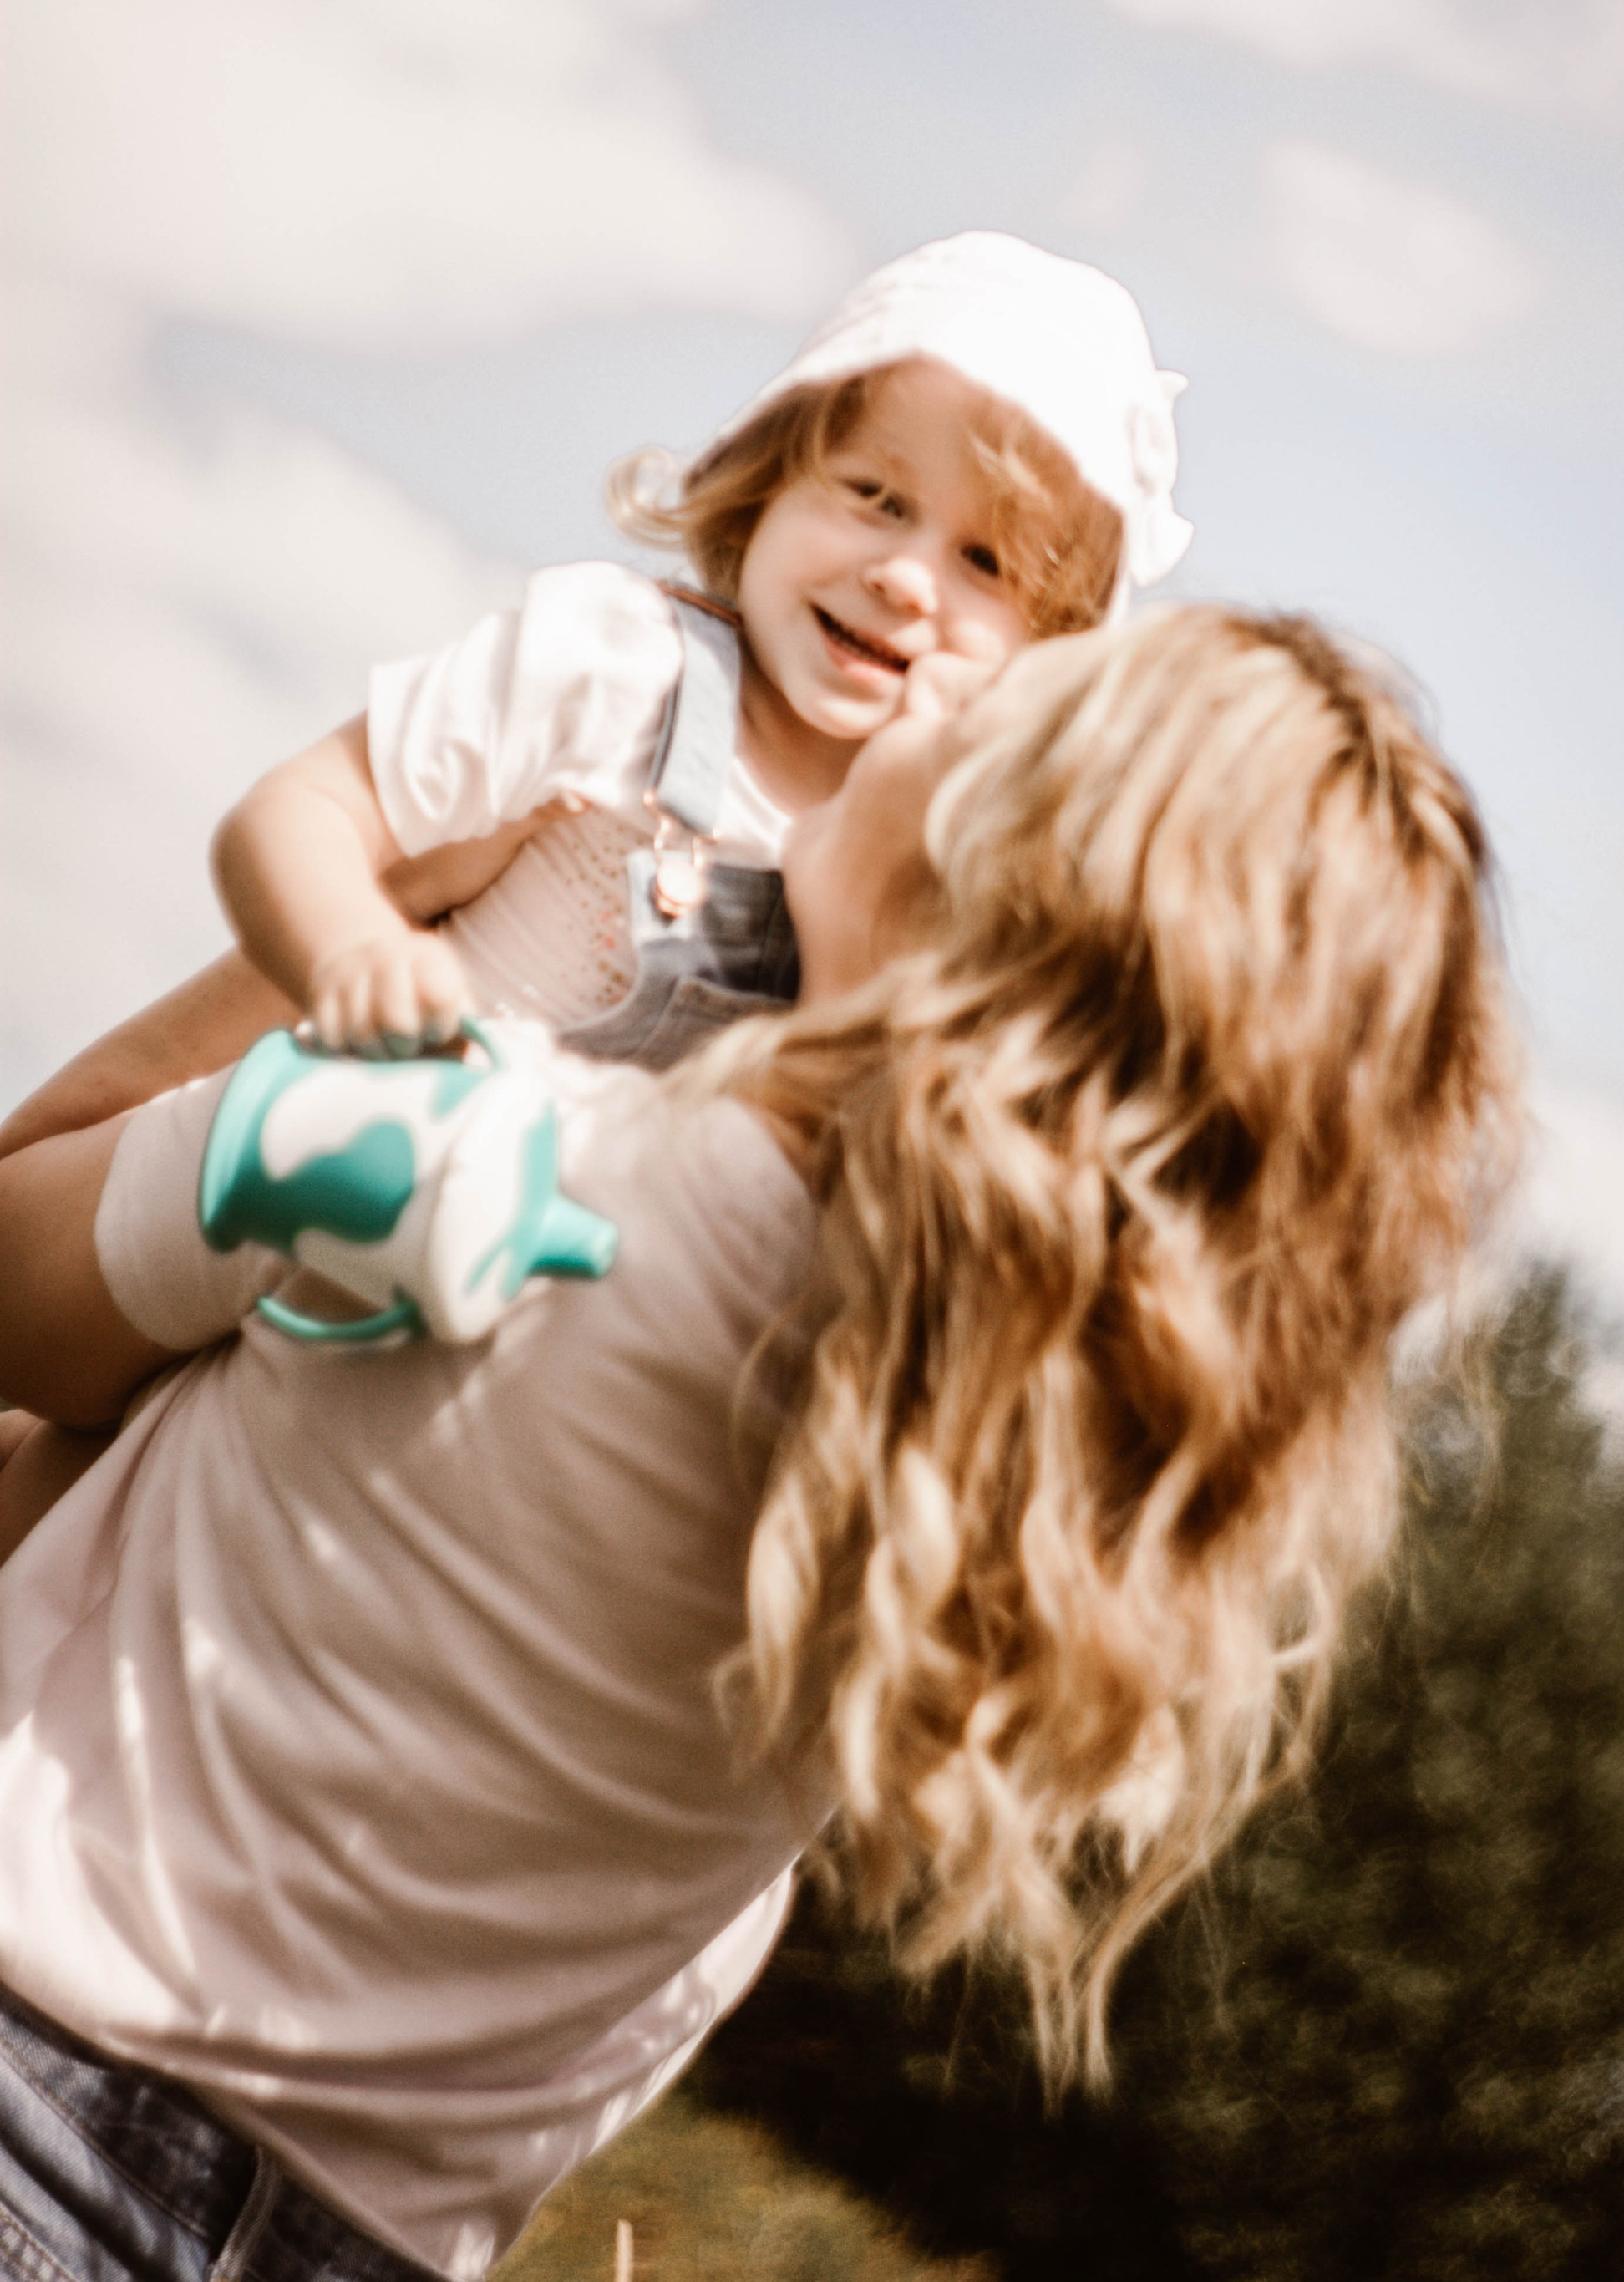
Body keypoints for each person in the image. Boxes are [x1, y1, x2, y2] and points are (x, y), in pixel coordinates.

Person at [0, 605, 1515, 2282]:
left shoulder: (466, 1144)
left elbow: (15, 1272)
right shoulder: (948, 1521)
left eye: (996, 700)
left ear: (989, 877)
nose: (936, 666)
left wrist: (414, 912)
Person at [0, 230, 1189, 1543]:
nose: (905, 577)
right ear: (771, 477)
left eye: (987, 565)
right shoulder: (621, 669)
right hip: (325, 1187)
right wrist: (350, 950)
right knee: (65, 1473)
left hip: (488, 1391)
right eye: (875, 496)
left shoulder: (951, 885)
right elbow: (301, 810)